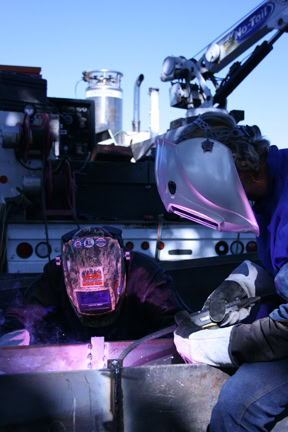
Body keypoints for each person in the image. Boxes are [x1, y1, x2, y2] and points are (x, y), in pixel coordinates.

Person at [156, 110, 288, 431]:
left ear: (235, 167)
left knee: (237, 406)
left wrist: (222, 345)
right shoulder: (270, 189)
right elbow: (279, 266)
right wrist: (240, 286)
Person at [1, 225, 179, 345]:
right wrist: (13, 331)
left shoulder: (144, 275)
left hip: (136, 348)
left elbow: (173, 320)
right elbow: (26, 310)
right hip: (73, 347)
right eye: (88, 297)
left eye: (100, 296)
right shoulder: (56, 274)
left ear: (120, 273)